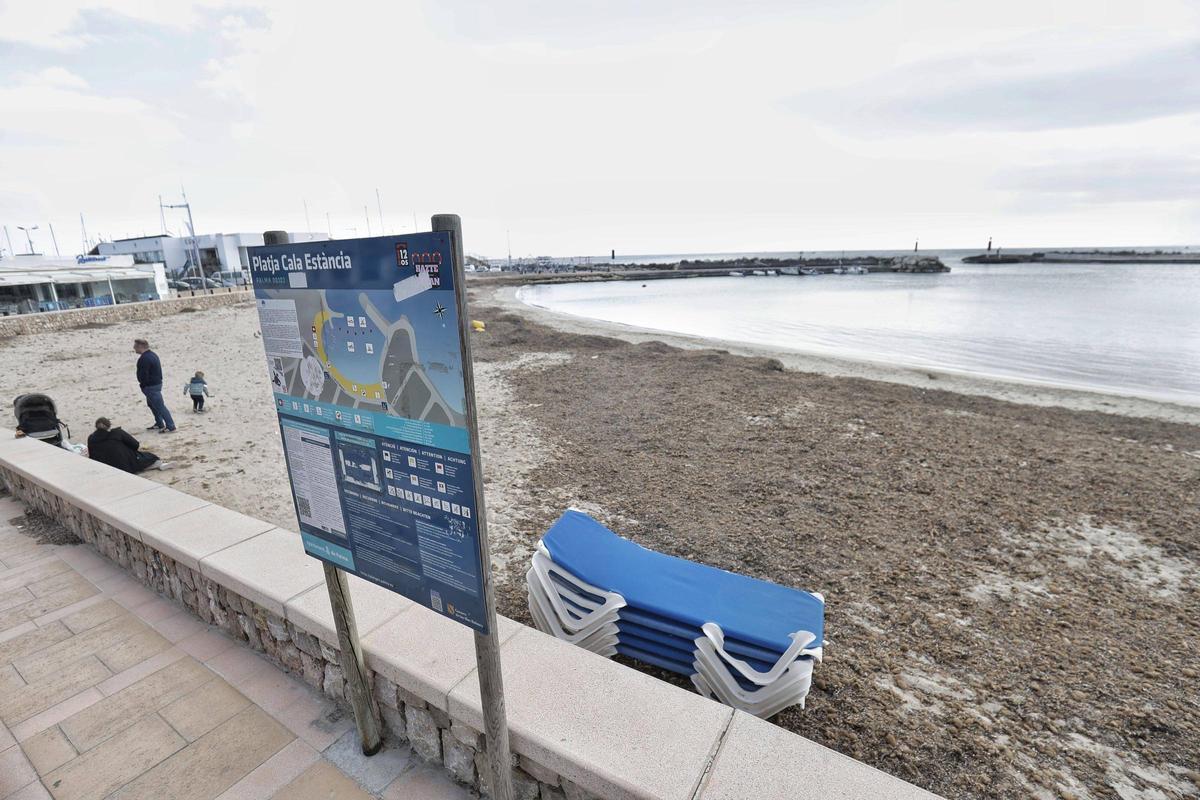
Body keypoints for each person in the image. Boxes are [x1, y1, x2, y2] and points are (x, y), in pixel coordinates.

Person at [87, 417, 171, 473]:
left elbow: (92, 456)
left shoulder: (91, 439)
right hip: (124, 466)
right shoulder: (117, 433)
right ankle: (159, 464)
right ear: (109, 426)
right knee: (150, 458)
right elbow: (135, 445)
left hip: (103, 468)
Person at [134, 338, 176, 433]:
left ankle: (170, 426)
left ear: (140, 346)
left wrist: (143, 385)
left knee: (159, 406)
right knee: (152, 405)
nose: (134, 348)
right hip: (155, 384)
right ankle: (159, 423)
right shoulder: (152, 354)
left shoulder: (145, 358)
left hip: (151, 386)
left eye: (135, 346)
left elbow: (143, 375)